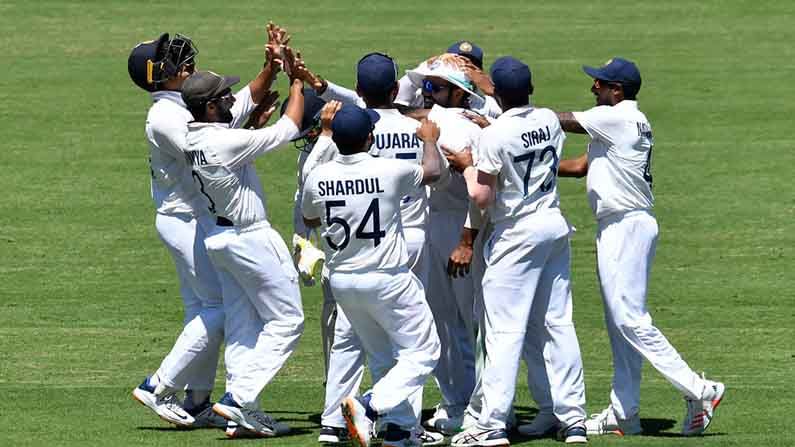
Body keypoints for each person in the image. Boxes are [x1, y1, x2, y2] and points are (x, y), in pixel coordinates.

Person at [555, 57, 725, 436]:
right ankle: (624, 413)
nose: (593, 87)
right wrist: (527, 163)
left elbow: (560, 120)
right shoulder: (627, 121)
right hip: (625, 225)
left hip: (625, 226)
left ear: (617, 90)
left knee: (630, 320)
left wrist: (515, 119)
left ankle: (700, 389)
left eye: (600, 83)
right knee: (620, 324)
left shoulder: (615, 118)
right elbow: (582, 166)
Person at [126, 27, 284, 429]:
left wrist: (270, 68)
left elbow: (231, 108)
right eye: (168, 55)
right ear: (159, 73)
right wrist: (252, 129)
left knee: (204, 309)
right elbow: (212, 148)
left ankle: (197, 401)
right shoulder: (166, 116)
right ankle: (157, 386)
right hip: (185, 221)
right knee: (217, 310)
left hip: (190, 219)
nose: (179, 55)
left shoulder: (182, 103)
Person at [444, 56, 588, 446]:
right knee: (557, 324)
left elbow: (482, 196)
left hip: (516, 236)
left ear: (498, 95)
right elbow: (521, 133)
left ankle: (490, 424)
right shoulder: (548, 119)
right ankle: (571, 418)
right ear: (531, 89)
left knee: (503, 332)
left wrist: (467, 166)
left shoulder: (494, 136)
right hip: (553, 227)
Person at [302, 104, 443, 447]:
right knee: (424, 351)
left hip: (343, 281)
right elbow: (433, 171)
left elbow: (309, 218)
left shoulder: (318, 176)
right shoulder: (388, 169)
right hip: (386, 277)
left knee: (383, 356)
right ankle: (368, 405)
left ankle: (399, 430)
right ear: (370, 138)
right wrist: (429, 139)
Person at [181, 65, 305, 437]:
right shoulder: (225, 142)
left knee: (242, 326)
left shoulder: (192, 139)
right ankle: (240, 398)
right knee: (287, 321)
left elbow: (234, 151)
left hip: (221, 240)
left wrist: (250, 126)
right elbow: (289, 129)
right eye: (224, 97)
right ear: (210, 108)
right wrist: (297, 82)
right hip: (251, 239)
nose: (232, 100)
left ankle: (242, 413)